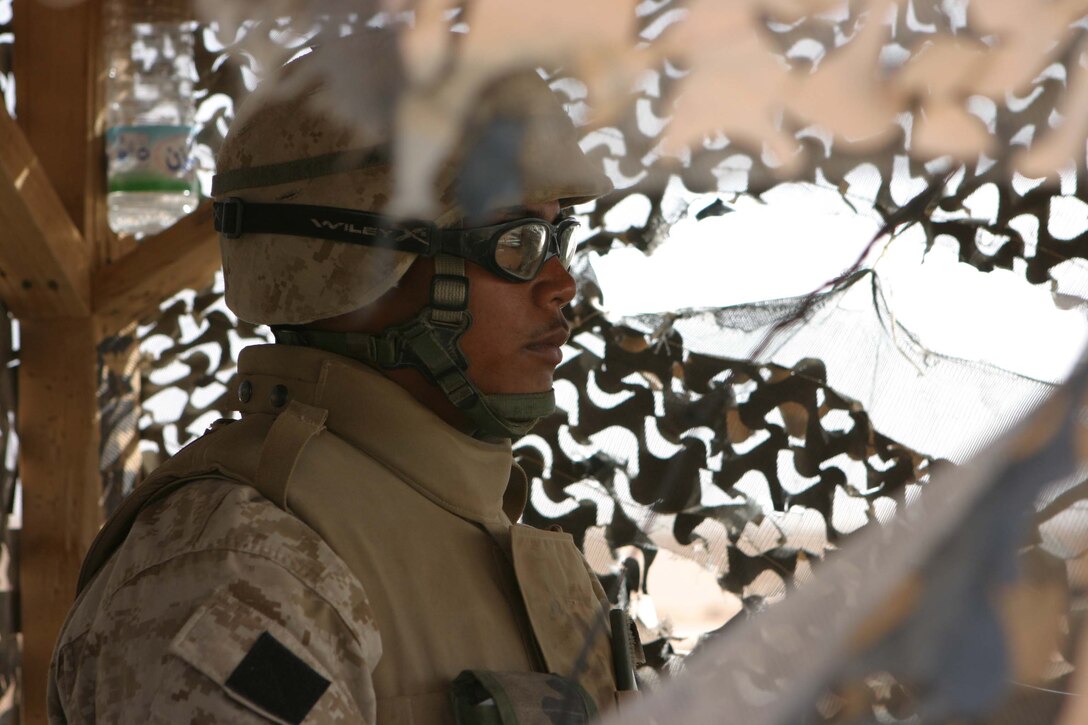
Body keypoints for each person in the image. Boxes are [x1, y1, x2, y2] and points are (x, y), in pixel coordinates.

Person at [47, 32, 635, 724]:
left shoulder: (470, 526)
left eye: (558, 237)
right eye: (516, 241)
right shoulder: (241, 567)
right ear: (362, 261)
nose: (561, 284)